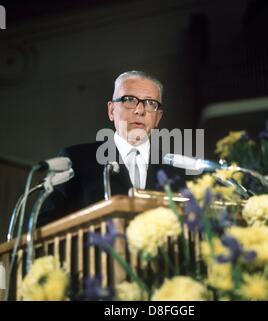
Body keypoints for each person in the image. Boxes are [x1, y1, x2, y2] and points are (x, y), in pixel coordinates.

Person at [38, 71, 185, 226]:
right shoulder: (74, 160)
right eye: (129, 100)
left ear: (158, 117)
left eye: (150, 103)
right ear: (111, 110)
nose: (140, 110)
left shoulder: (177, 171)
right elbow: (43, 224)